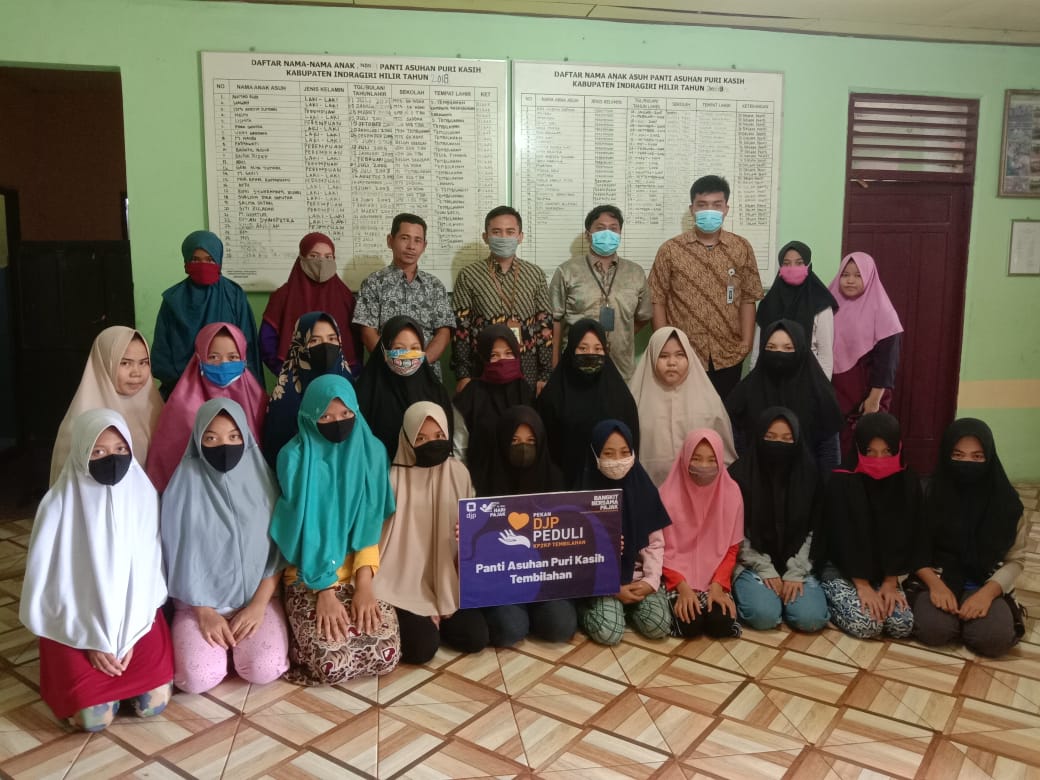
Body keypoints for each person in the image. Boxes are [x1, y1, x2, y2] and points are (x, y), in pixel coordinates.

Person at [21, 409, 172, 731]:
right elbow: (51, 586)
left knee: (153, 705)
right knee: (92, 720)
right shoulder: (58, 505)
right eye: (98, 452)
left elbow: (149, 571)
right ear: (80, 453)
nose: (111, 459)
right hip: (74, 627)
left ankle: (125, 677)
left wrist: (130, 634)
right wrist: (91, 639)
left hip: (137, 621)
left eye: (120, 449)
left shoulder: (143, 494)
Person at [270, 375, 400, 684]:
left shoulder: (372, 452)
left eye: (345, 413)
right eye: (325, 416)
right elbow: (301, 530)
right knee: (332, 665)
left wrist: (364, 586)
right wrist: (325, 591)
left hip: (356, 575)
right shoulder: (294, 458)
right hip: (308, 576)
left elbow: (369, 525)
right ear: (309, 416)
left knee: (386, 655)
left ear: (356, 410)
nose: (337, 422)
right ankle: (296, 648)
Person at [161, 399, 289, 693]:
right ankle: (220, 652)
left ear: (246, 438)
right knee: (197, 678)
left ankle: (240, 651)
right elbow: (174, 559)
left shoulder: (265, 484)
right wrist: (204, 612)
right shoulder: (180, 490)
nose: (224, 446)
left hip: (257, 599)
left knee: (264, 668)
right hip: (198, 604)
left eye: (233, 436)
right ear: (198, 441)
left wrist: (258, 606)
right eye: (211, 438)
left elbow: (277, 554)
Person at [374, 402, 489, 664]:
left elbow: (474, 531)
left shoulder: (459, 473)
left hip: (450, 576)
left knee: (476, 637)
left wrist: (469, 535)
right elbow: (381, 540)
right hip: (402, 582)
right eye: (421, 438)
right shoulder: (393, 479)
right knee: (422, 649)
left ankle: (439, 612)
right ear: (407, 440)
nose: (432, 444)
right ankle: (421, 617)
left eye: (439, 436)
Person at [910, 419, 1027, 657]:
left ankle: (976, 619)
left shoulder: (1007, 503)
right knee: (935, 629)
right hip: (938, 575)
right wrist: (935, 585)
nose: (967, 463)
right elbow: (912, 549)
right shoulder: (927, 494)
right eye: (958, 455)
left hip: (985, 579)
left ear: (989, 457)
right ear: (946, 455)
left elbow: (1016, 559)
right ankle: (956, 621)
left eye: (977, 457)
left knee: (993, 638)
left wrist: (988, 594)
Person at [648, 175, 764, 399]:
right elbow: (657, 299)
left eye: (716, 205)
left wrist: (746, 343)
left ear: (726, 209)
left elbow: (748, 298)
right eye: (702, 205)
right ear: (692, 209)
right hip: (683, 353)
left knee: (724, 413)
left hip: (728, 354)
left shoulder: (741, 247)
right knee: (683, 413)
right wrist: (664, 344)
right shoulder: (670, 250)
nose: (709, 211)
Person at [477, 405, 577, 646]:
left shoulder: (554, 478)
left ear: (541, 442)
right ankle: (520, 617)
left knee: (560, 625)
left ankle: (534, 615)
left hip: (546, 580)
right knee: (509, 628)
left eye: (531, 441)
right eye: (515, 440)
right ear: (502, 441)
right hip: (502, 582)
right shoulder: (483, 480)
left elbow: (566, 539)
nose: (523, 448)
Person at [817, 413, 918, 640]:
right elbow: (840, 539)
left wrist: (890, 582)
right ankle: (827, 600)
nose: (879, 459)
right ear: (858, 449)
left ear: (898, 448)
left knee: (901, 625)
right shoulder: (841, 480)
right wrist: (862, 586)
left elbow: (907, 534)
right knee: (867, 624)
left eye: (887, 452)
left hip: (884, 572)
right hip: (843, 568)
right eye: (870, 452)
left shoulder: (907, 480)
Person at [729, 408, 829, 633]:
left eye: (787, 439)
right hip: (753, 564)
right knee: (763, 616)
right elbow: (734, 531)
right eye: (770, 437)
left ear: (797, 440)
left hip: (799, 564)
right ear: (758, 437)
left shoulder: (810, 475)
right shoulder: (739, 475)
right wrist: (764, 568)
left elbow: (817, 529)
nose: (778, 445)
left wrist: (796, 571)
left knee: (810, 619)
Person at [577, 420, 672, 646]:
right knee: (609, 633)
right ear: (595, 454)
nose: (617, 460)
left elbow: (655, 543)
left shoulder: (644, 488)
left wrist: (650, 581)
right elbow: (576, 554)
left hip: (638, 576)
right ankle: (584, 610)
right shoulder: (581, 493)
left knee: (658, 625)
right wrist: (612, 588)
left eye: (624, 452)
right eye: (608, 453)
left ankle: (627, 610)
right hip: (600, 583)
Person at [146, 323, 268, 493]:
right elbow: (166, 461)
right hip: (194, 491)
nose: (223, 364)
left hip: (248, 490)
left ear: (243, 358)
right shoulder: (180, 406)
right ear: (199, 357)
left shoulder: (258, 400)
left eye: (233, 357)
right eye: (213, 357)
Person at [452, 205, 553, 393]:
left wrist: (545, 374)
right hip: (483, 365)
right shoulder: (469, 275)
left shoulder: (535, 274)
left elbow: (544, 325)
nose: (504, 237)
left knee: (524, 411)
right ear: (486, 237)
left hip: (526, 367)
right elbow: (460, 326)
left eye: (510, 232)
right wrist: (463, 373)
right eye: (496, 232)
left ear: (520, 237)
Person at [151, 230, 261, 399]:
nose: (203, 265)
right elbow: (161, 352)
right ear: (186, 261)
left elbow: (248, 347)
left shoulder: (234, 296)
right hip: (182, 391)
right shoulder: (173, 300)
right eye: (196, 260)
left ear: (219, 260)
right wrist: (185, 386)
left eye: (210, 260)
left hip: (230, 387)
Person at [549, 205, 652, 381]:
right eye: (600, 228)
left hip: (621, 369)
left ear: (620, 233)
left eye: (613, 228)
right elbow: (554, 320)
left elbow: (643, 316)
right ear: (588, 234)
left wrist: (622, 334)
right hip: (576, 366)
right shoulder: (566, 271)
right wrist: (554, 365)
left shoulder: (635, 272)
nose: (607, 233)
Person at [726, 319, 844, 473]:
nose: (779, 354)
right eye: (771, 347)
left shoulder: (820, 394)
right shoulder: (745, 392)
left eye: (788, 348)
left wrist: (826, 484)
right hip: (754, 479)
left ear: (801, 350)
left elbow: (829, 451)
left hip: (808, 482)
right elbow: (736, 445)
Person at [50, 326, 163, 485]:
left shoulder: (156, 409)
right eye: (125, 363)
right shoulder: (80, 423)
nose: (136, 373)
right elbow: (68, 487)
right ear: (103, 363)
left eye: (143, 362)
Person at [659, 430, 744, 639]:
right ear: (685, 458)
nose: (704, 466)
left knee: (721, 623)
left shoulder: (732, 493)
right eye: (696, 459)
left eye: (711, 460)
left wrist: (718, 585)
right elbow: (659, 548)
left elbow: (732, 548)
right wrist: (682, 588)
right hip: (676, 578)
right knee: (690, 624)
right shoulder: (666, 495)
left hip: (715, 578)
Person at [537, 319, 640, 487]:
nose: (590, 354)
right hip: (565, 487)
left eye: (598, 349)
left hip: (612, 487)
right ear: (571, 350)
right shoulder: (553, 396)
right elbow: (546, 451)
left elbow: (631, 445)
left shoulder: (620, 396)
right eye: (583, 348)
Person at [629, 326, 735, 485]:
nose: (672, 363)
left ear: (689, 357)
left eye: (680, 355)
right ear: (652, 356)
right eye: (663, 356)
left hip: (698, 488)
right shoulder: (635, 400)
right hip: (647, 489)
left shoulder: (709, 401)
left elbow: (723, 455)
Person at [353, 214, 455, 379]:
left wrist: (420, 365)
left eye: (417, 240)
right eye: (404, 238)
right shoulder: (373, 283)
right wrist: (393, 364)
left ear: (424, 246)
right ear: (390, 241)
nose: (411, 246)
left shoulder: (434, 286)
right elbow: (367, 332)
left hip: (426, 375)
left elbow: (444, 332)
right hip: (385, 375)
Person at [827, 252, 903, 454]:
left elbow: (887, 362)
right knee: (833, 446)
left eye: (858, 275)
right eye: (845, 275)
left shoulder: (884, 312)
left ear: (869, 276)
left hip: (867, 393)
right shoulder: (829, 305)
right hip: (835, 389)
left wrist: (874, 399)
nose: (850, 280)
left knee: (863, 443)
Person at [260, 232, 361, 376]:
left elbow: (357, 343)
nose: (321, 262)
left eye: (328, 257)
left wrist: (350, 374)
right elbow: (267, 341)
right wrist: (285, 373)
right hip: (294, 377)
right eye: (314, 256)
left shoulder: (345, 297)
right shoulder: (283, 296)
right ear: (301, 258)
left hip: (339, 377)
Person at [262, 311, 354, 468]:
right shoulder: (284, 397)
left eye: (332, 338)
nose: (325, 346)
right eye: (314, 340)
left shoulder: (349, 385)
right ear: (299, 344)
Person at [355, 315, 454, 458]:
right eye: (399, 348)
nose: (408, 354)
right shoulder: (365, 394)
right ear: (384, 350)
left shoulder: (436, 393)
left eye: (415, 348)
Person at [453, 324, 535, 493]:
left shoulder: (526, 392)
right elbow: (460, 450)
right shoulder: (470, 397)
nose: (502, 361)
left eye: (508, 353)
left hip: (523, 486)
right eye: (494, 355)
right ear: (483, 358)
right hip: (480, 487)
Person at [750, 241, 838, 378]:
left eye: (799, 263)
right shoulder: (768, 303)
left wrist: (822, 386)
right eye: (786, 263)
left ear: (808, 265)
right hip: (770, 377)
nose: (792, 268)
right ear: (780, 267)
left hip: (807, 378)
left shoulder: (820, 303)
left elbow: (825, 355)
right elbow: (758, 350)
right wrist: (754, 380)